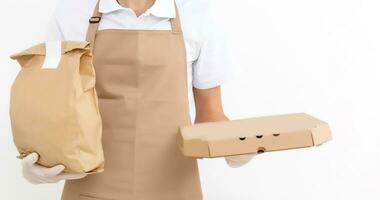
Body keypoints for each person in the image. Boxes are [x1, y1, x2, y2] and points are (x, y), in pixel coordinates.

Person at [20, 0, 255, 199]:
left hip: (175, 188)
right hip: (90, 187)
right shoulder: (73, 13)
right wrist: (39, 160)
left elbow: (209, 115)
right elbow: (53, 108)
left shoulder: (195, 14)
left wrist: (238, 144)